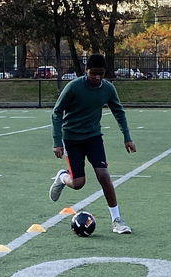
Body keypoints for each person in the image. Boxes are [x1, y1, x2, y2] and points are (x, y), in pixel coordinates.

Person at [49, 53, 136, 234]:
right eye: (93, 73)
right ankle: (63, 177)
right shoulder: (73, 87)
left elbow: (118, 112)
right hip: (72, 139)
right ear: (86, 70)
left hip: (93, 137)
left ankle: (117, 220)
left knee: (104, 175)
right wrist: (57, 141)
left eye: (101, 74)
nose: (97, 78)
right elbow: (57, 112)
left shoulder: (108, 89)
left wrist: (127, 137)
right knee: (78, 183)